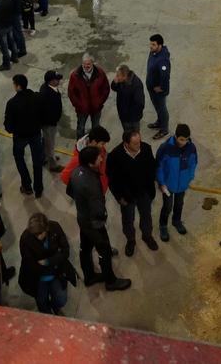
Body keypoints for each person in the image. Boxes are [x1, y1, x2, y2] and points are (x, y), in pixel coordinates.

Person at [66, 145, 131, 291]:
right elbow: (98, 208)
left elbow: (69, 190)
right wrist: (103, 216)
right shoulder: (91, 183)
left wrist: (81, 203)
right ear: (91, 163)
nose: (101, 159)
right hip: (94, 223)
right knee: (104, 250)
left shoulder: (77, 171)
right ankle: (111, 281)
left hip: (83, 218)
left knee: (86, 247)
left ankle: (89, 276)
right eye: (98, 158)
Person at [106, 129, 159, 256]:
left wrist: (150, 191)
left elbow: (152, 168)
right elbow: (112, 179)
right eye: (135, 143)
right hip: (126, 197)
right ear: (126, 143)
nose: (139, 145)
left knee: (146, 216)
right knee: (128, 220)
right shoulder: (115, 156)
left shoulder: (146, 148)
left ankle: (147, 236)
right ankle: (131, 240)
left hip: (144, 193)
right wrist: (119, 197)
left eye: (139, 142)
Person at [19, 212, 76, 316]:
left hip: (56, 272)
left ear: (47, 228)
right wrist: (56, 258)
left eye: (40, 233)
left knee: (61, 299)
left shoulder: (55, 227)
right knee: (42, 302)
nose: (38, 237)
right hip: (38, 278)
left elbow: (65, 251)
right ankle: (48, 315)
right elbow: (30, 263)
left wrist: (48, 261)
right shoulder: (25, 238)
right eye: (35, 234)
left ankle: (55, 307)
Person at [4, 74, 45, 197]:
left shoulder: (12, 103)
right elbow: (43, 114)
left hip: (20, 136)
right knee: (37, 161)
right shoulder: (37, 97)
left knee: (19, 158)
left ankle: (26, 185)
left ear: (17, 86)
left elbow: (8, 125)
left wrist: (12, 129)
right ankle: (38, 188)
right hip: (35, 134)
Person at [156, 123, 198, 241]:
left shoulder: (191, 148)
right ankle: (163, 225)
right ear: (176, 136)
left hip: (182, 184)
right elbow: (159, 166)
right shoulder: (165, 148)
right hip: (168, 185)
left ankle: (176, 221)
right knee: (167, 206)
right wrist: (161, 182)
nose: (184, 142)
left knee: (179, 204)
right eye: (181, 139)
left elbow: (193, 163)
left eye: (186, 139)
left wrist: (189, 177)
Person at [68, 54, 110, 137]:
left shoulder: (100, 73)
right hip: (82, 109)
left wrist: (99, 102)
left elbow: (105, 88)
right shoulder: (75, 75)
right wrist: (78, 105)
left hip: (96, 108)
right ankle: (79, 146)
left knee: (96, 128)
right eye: (84, 63)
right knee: (80, 128)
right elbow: (71, 93)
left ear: (92, 63)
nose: (86, 66)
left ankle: (94, 144)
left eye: (88, 64)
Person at [37, 70, 64, 172]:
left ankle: (45, 157)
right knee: (50, 143)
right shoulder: (46, 94)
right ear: (51, 81)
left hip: (51, 122)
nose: (59, 80)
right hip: (49, 124)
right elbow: (45, 112)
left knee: (47, 142)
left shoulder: (48, 88)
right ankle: (53, 165)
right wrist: (53, 121)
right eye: (57, 79)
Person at [146, 34, 171, 140]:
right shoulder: (154, 52)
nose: (151, 46)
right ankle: (159, 122)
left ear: (160, 45)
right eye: (150, 44)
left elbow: (165, 75)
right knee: (157, 107)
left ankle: (164, 129)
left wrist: (162, 88)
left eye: (153, 44)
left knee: (161, 108)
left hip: (158, 91)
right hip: (152, 87)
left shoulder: (162, 60)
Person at [109, 64, 145, 136]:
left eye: (118, 76)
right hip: (124, 115)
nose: (116, 77)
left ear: (124, 76)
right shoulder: (120, 81)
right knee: (127, 135)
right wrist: (114, 83)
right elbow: (114, 88)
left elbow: (140, 103)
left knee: (135, 135)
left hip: (133, 118)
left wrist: (132, 116)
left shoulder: (136, 84)